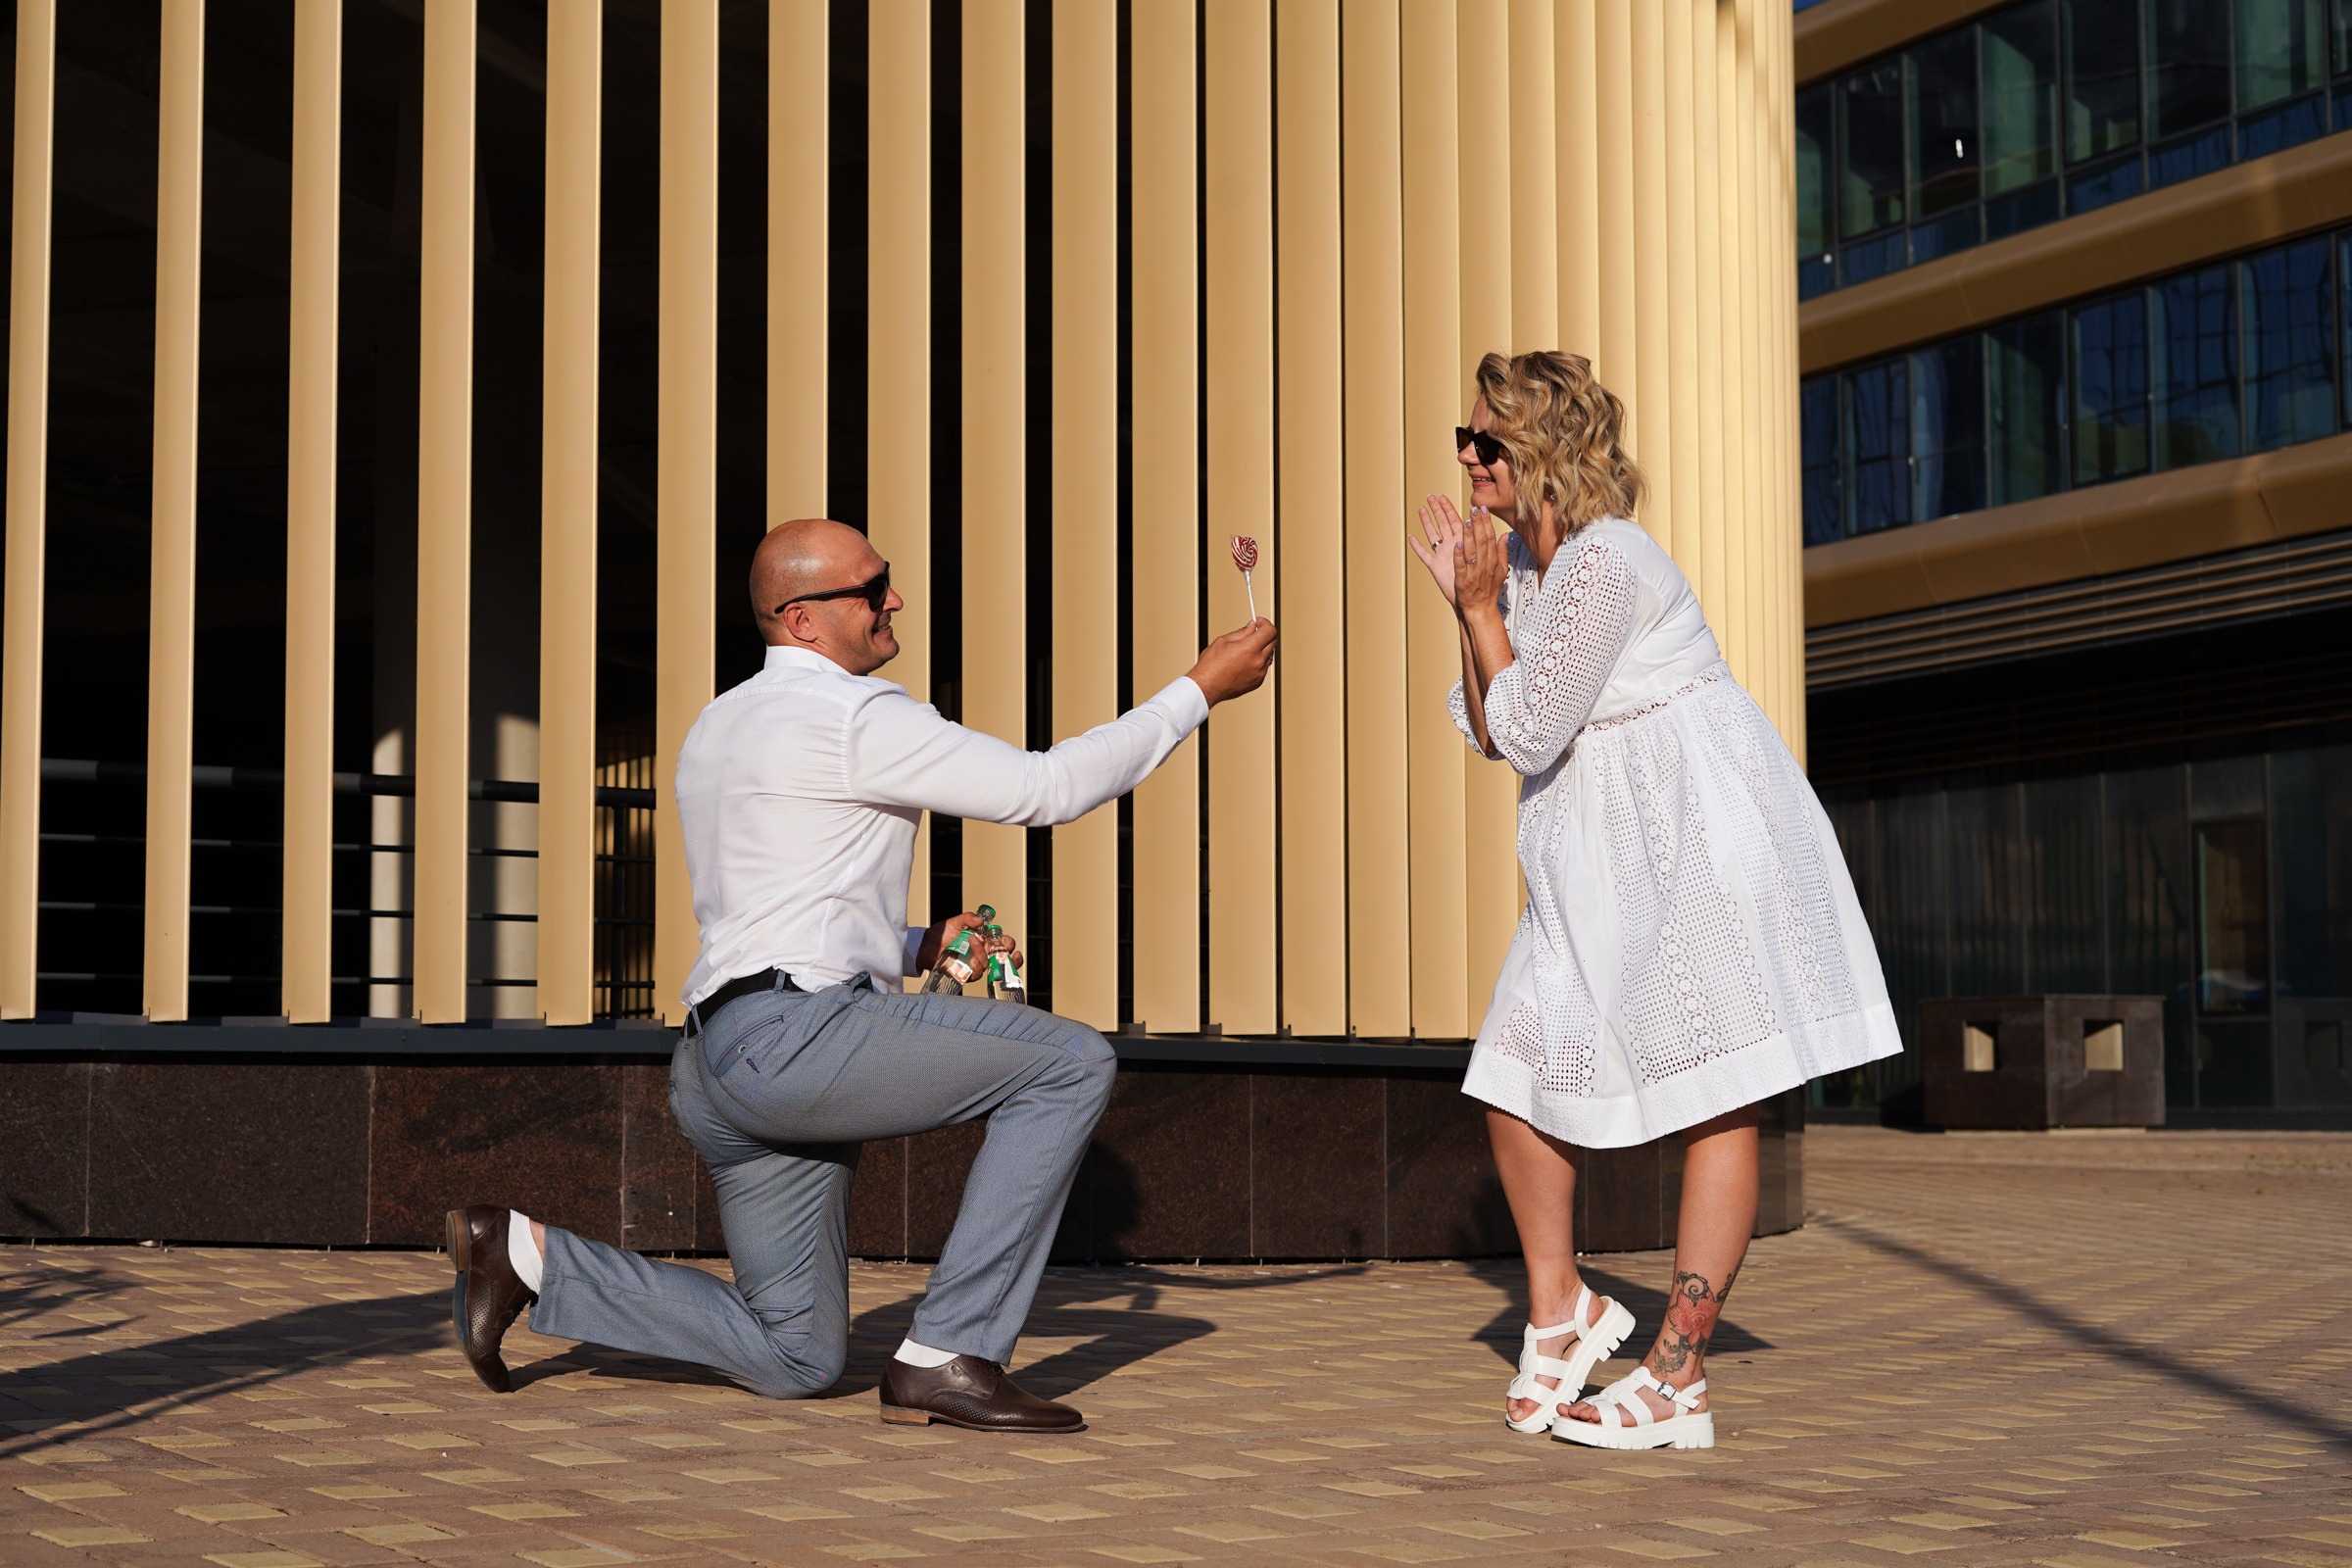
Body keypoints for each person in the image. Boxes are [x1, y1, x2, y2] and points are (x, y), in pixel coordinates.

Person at [448, 517, 1277, 1433]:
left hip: (717, 1062)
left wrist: (918, 944)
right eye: (870, 587)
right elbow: (1048, 790)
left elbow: (787, 896)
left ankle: (525, 1257)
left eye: (887, 578)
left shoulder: (718, 724)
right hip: (797, 1043)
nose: (894, 599)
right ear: (802, 620)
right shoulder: (855, 714)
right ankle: (949, 1353)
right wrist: (1198, 690)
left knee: (794, 1355)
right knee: (1070, 1063)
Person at [1409, 351, 1899, 1450]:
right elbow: (1496, 727)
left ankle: (1676, 1375)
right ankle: (1563, 1312)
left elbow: (1526, 727)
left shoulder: (1604, 563)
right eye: (1464, 437)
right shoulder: (1533, 576)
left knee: (1713, 1088)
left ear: (1542, 453)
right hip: (1596, 854)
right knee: (1514, 1062)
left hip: (1696, 840)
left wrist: (1481, 603)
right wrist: (1471, 604)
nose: (1466, 456)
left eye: (1487, 440)